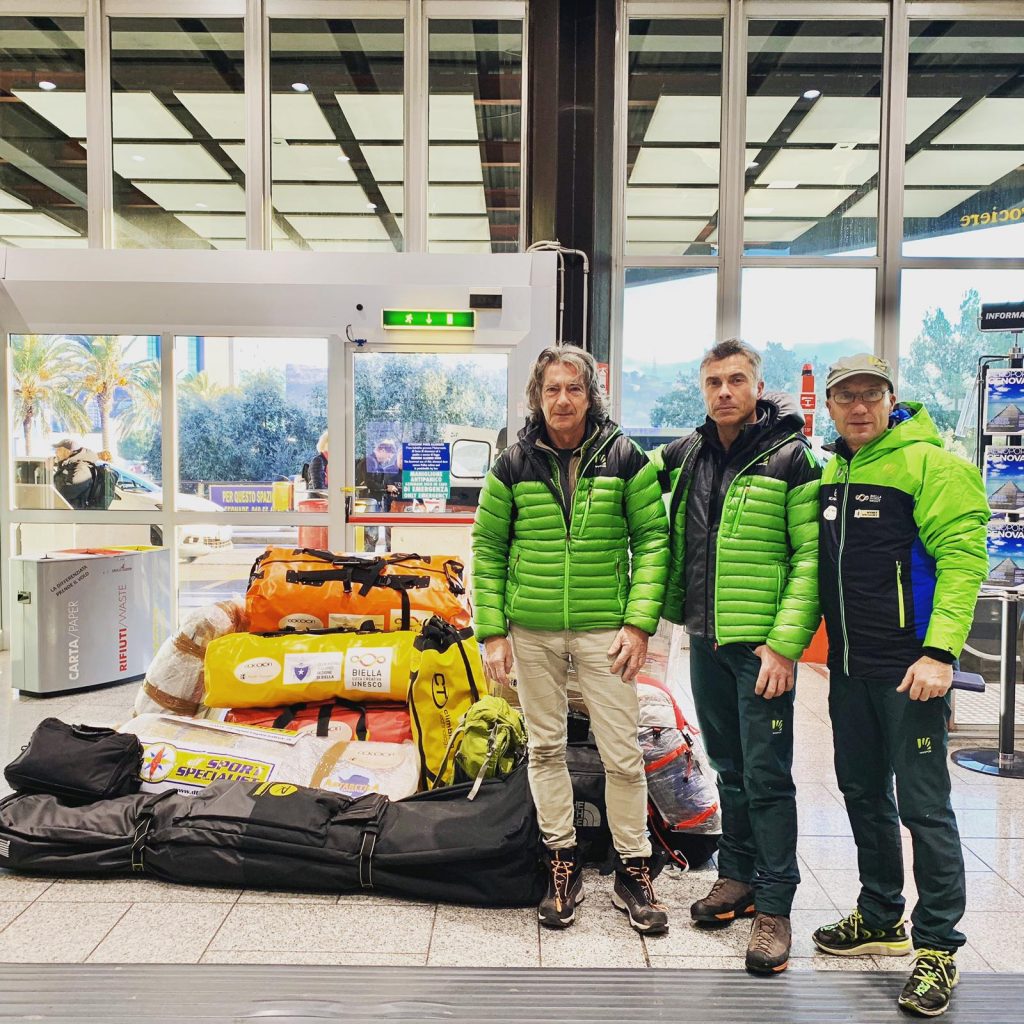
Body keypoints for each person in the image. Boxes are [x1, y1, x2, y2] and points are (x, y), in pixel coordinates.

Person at [812, 354, 988, 1017]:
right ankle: (881, 914)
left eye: (871, 394)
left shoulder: (932, 466)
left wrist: (940, 653)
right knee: (862, 792)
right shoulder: (834, 470)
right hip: (849, 670)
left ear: (892, 399)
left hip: (911, 671)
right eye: (846, 396)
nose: (858, 406)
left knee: (924, 807)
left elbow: (963, 561)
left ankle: (938, 946)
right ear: (830, 406)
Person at [472, 345, 669, 934]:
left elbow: (652, 541)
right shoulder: (512, 463)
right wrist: (492, 633)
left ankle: (634, 868)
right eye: (552, 389)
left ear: (590, 396)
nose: (562, 399)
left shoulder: (624, 457)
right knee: (545, 748)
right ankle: (562, 860)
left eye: (574, 388)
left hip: (605, 628)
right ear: (537, 396)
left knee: (622, 753)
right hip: (530, 630)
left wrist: (638, 622)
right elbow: (488, 548)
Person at [650, 338, 821, 974]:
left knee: (767, 774)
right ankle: (739, 876)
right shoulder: (689, 453)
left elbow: (809, 559)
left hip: (760, 648)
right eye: (714, 382)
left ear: (757, 386)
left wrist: (784, 646)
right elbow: (628, 474)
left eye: (736, 380)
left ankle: (775, 905)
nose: (724, 391)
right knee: (727, 766)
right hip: (706, 637)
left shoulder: (791, 458)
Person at [52, 437, 101, 510]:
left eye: (58, 450)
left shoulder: (82, 469)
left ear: (68, 452)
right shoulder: (71, 465)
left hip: (74, 513)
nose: (56, 452)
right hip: (67, 510)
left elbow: (66, 494)